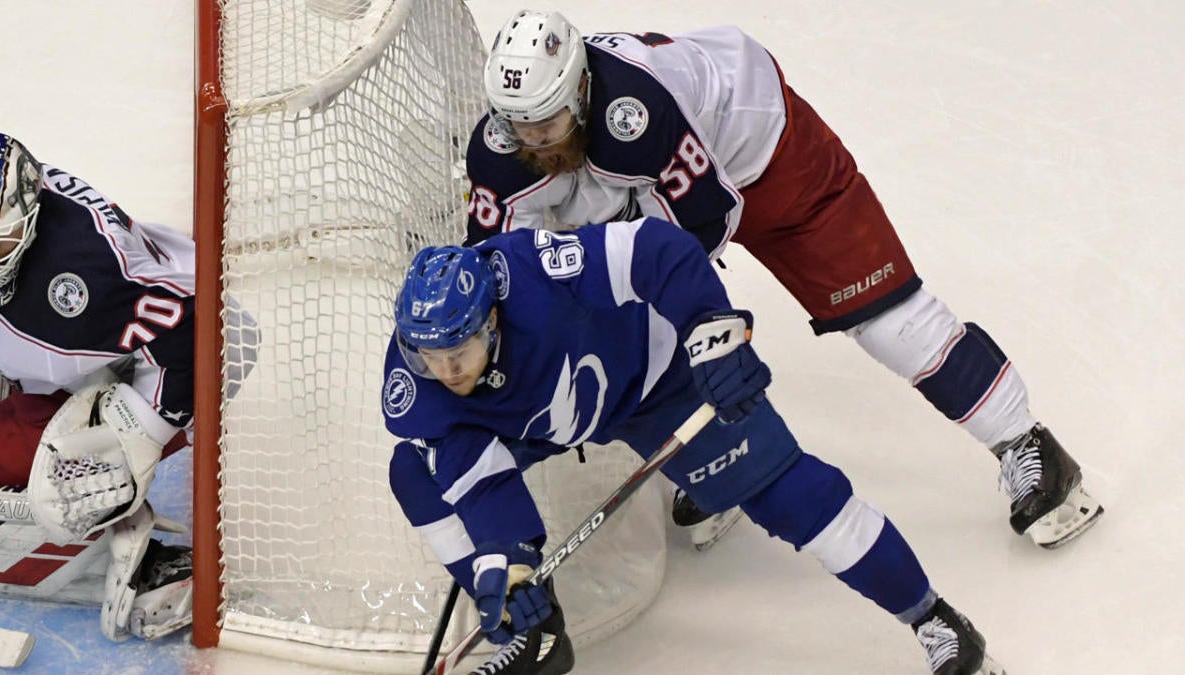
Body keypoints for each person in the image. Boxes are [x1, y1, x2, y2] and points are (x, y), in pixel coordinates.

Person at [463, 10, 1102, 550]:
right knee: (618, 321)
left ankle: (1026, 441)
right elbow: (496, 269)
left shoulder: (636, 112)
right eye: (518, 124)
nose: (531, 141)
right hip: (653, 188)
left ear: (578, 93)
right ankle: (720, 464)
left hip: (770, 151)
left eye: (545, 123)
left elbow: (705, 224)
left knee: (886, 321)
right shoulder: (506, 143)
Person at [383, 217, 1006, 674]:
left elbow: (656, 250)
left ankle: (935, 622)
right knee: (416, 469)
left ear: (491, 320)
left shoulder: (537, 274)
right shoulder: (418, 379)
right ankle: (531, 621)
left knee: (792, 497)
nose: (444, 371)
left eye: (456, 353)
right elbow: (476, 472)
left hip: (659, 382)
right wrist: (506, 557)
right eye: (428, 357)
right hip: (546, 419)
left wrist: (712, 332)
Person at [0, 132, 256, 641]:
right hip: (80, 349)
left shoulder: (82, 274)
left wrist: (138, 430)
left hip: (170, 361)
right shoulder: (11, 214)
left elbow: (217, 333)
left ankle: (134, 538)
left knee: (57, 475)